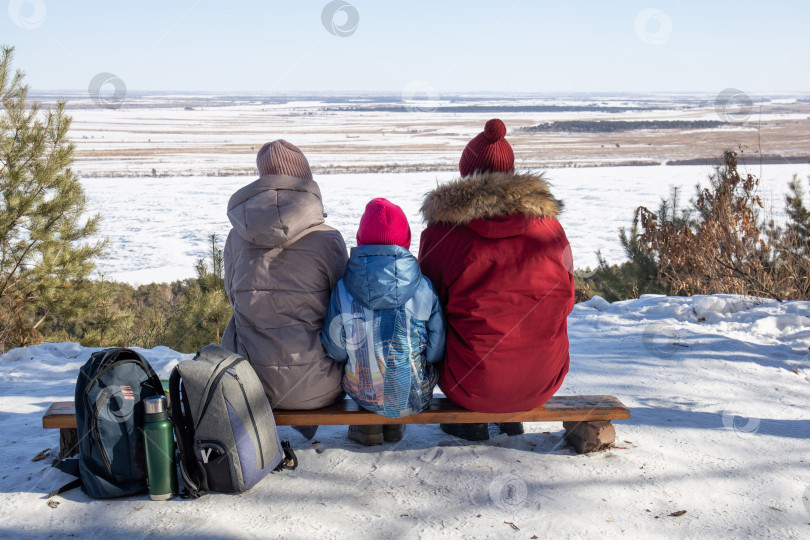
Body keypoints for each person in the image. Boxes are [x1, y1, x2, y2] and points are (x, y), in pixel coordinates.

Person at [418, 119, 575, 441]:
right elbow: (567, 297)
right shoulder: (550, 231)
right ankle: (508, 415)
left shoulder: (442, 234)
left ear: (465, 174)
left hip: (469, 384)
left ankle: (471, 420)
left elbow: (426, 304)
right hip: (542, 381)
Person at [221, 139, 348, 439]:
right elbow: (344, 305)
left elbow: (231, 295)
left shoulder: (235, 238)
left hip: (250, 386)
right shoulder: (328, 239)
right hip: (321, 386)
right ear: (306, 180)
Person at [322, 198, 445, 445]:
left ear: (360, 239)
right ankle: (395, 423)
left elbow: (335, 349)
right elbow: (435, 351)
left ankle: (367, 427)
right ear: (405, 241)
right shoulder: (424, 287)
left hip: (361, 392)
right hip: (416, 394)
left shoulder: (342, 288)